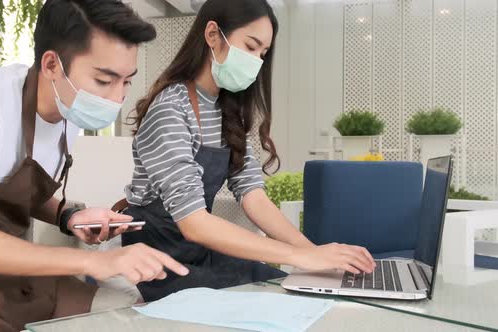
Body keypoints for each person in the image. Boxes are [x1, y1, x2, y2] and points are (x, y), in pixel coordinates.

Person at [0, 1, 188, 331]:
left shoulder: (66, 113)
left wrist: (67, 215)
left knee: (132, 315)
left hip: (3, 271)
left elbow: (11, 187)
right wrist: (93, 261)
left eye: (126, 82)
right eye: (103, 80)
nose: (117, 98)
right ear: (52, 64)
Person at [117, 0, 376, 302]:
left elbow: (254, 196)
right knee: (276, 299)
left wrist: (313, 252)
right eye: (250, 47)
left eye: (262, 54)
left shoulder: (226, 111)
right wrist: (299, 257)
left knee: (292, 287)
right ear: (212, 35)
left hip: (201, 252)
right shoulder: (170, 110)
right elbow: (194, 223)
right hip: (158, 264)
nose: (256, 61)